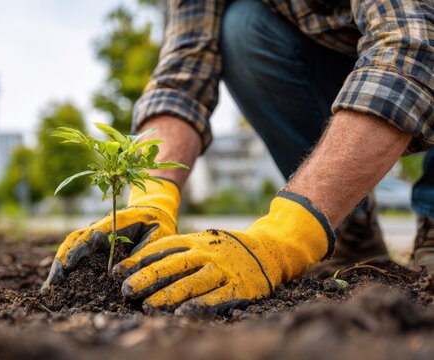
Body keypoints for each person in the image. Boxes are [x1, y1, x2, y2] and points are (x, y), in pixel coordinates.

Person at [42, 0, 434, 316]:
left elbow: (413, 44)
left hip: (413, 34)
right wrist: (152, 198)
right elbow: (182, 76)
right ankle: (350, 224)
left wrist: (288, 234)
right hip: (345, 54)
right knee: (244, 28)